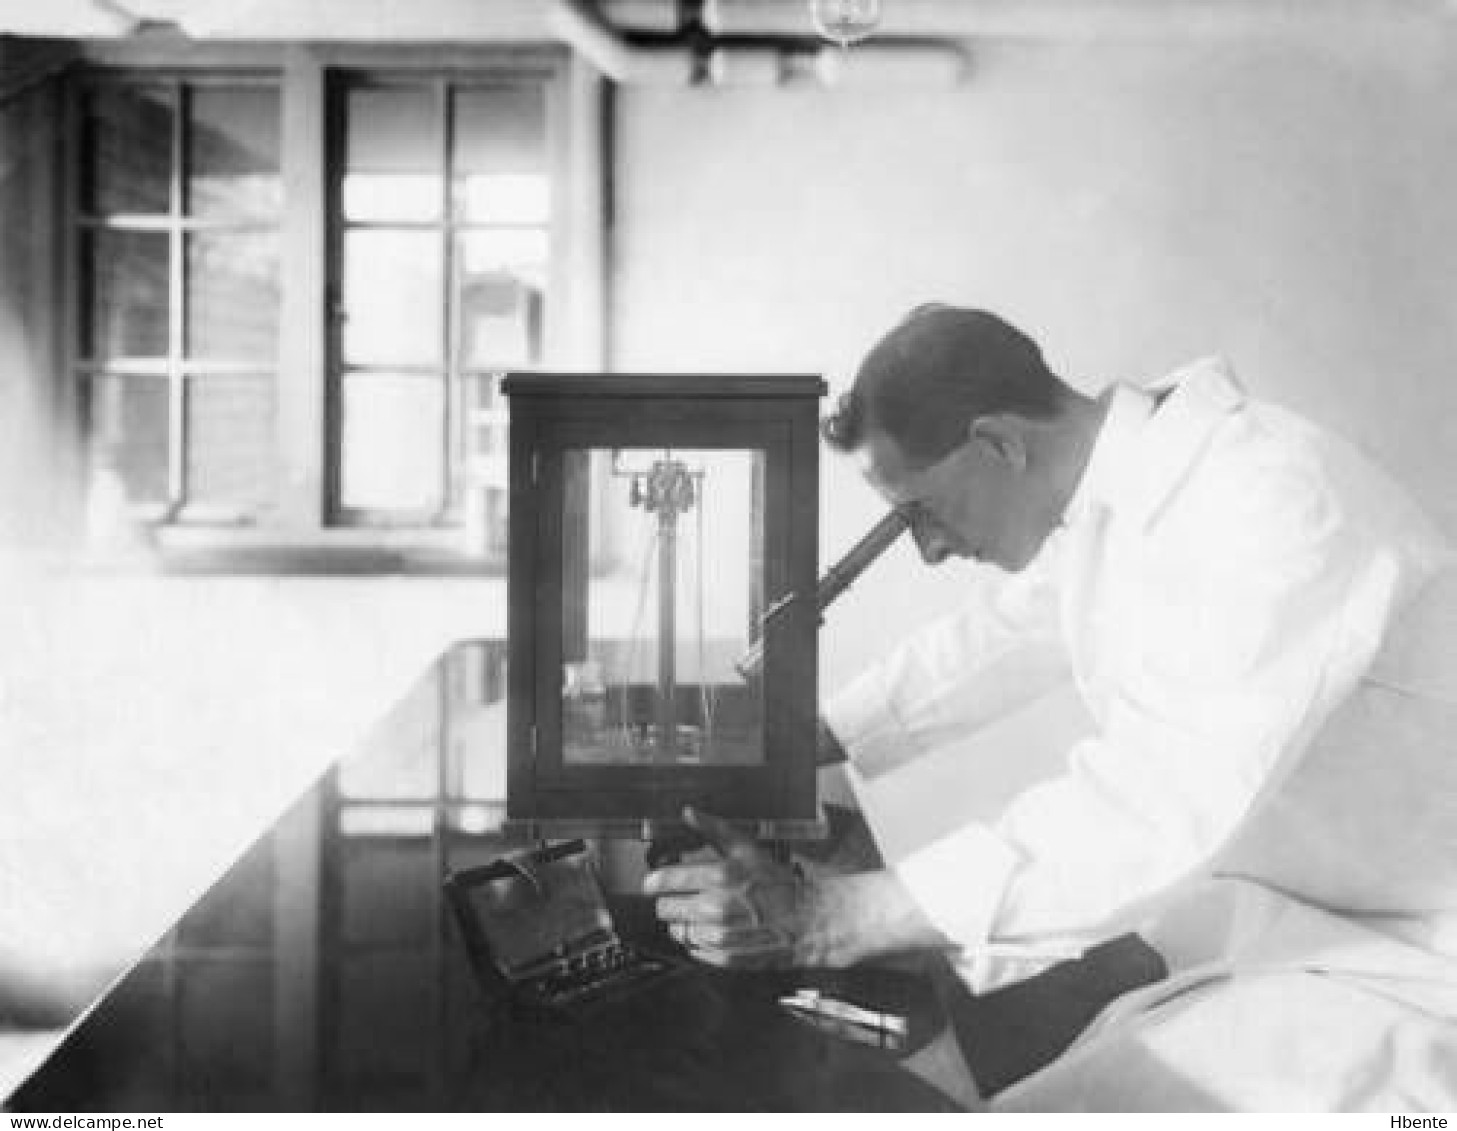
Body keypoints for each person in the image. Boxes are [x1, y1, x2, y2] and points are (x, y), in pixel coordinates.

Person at [645, 304, 1457, 1110]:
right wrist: (813, 735)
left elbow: (1151, 801)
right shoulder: (1131, 488)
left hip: (1413, 947)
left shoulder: (1272, 499)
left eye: (919, 511)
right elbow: (1001, 636)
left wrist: (828, 917)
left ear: (998, 442)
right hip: (1283, 912)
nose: (927, 550)